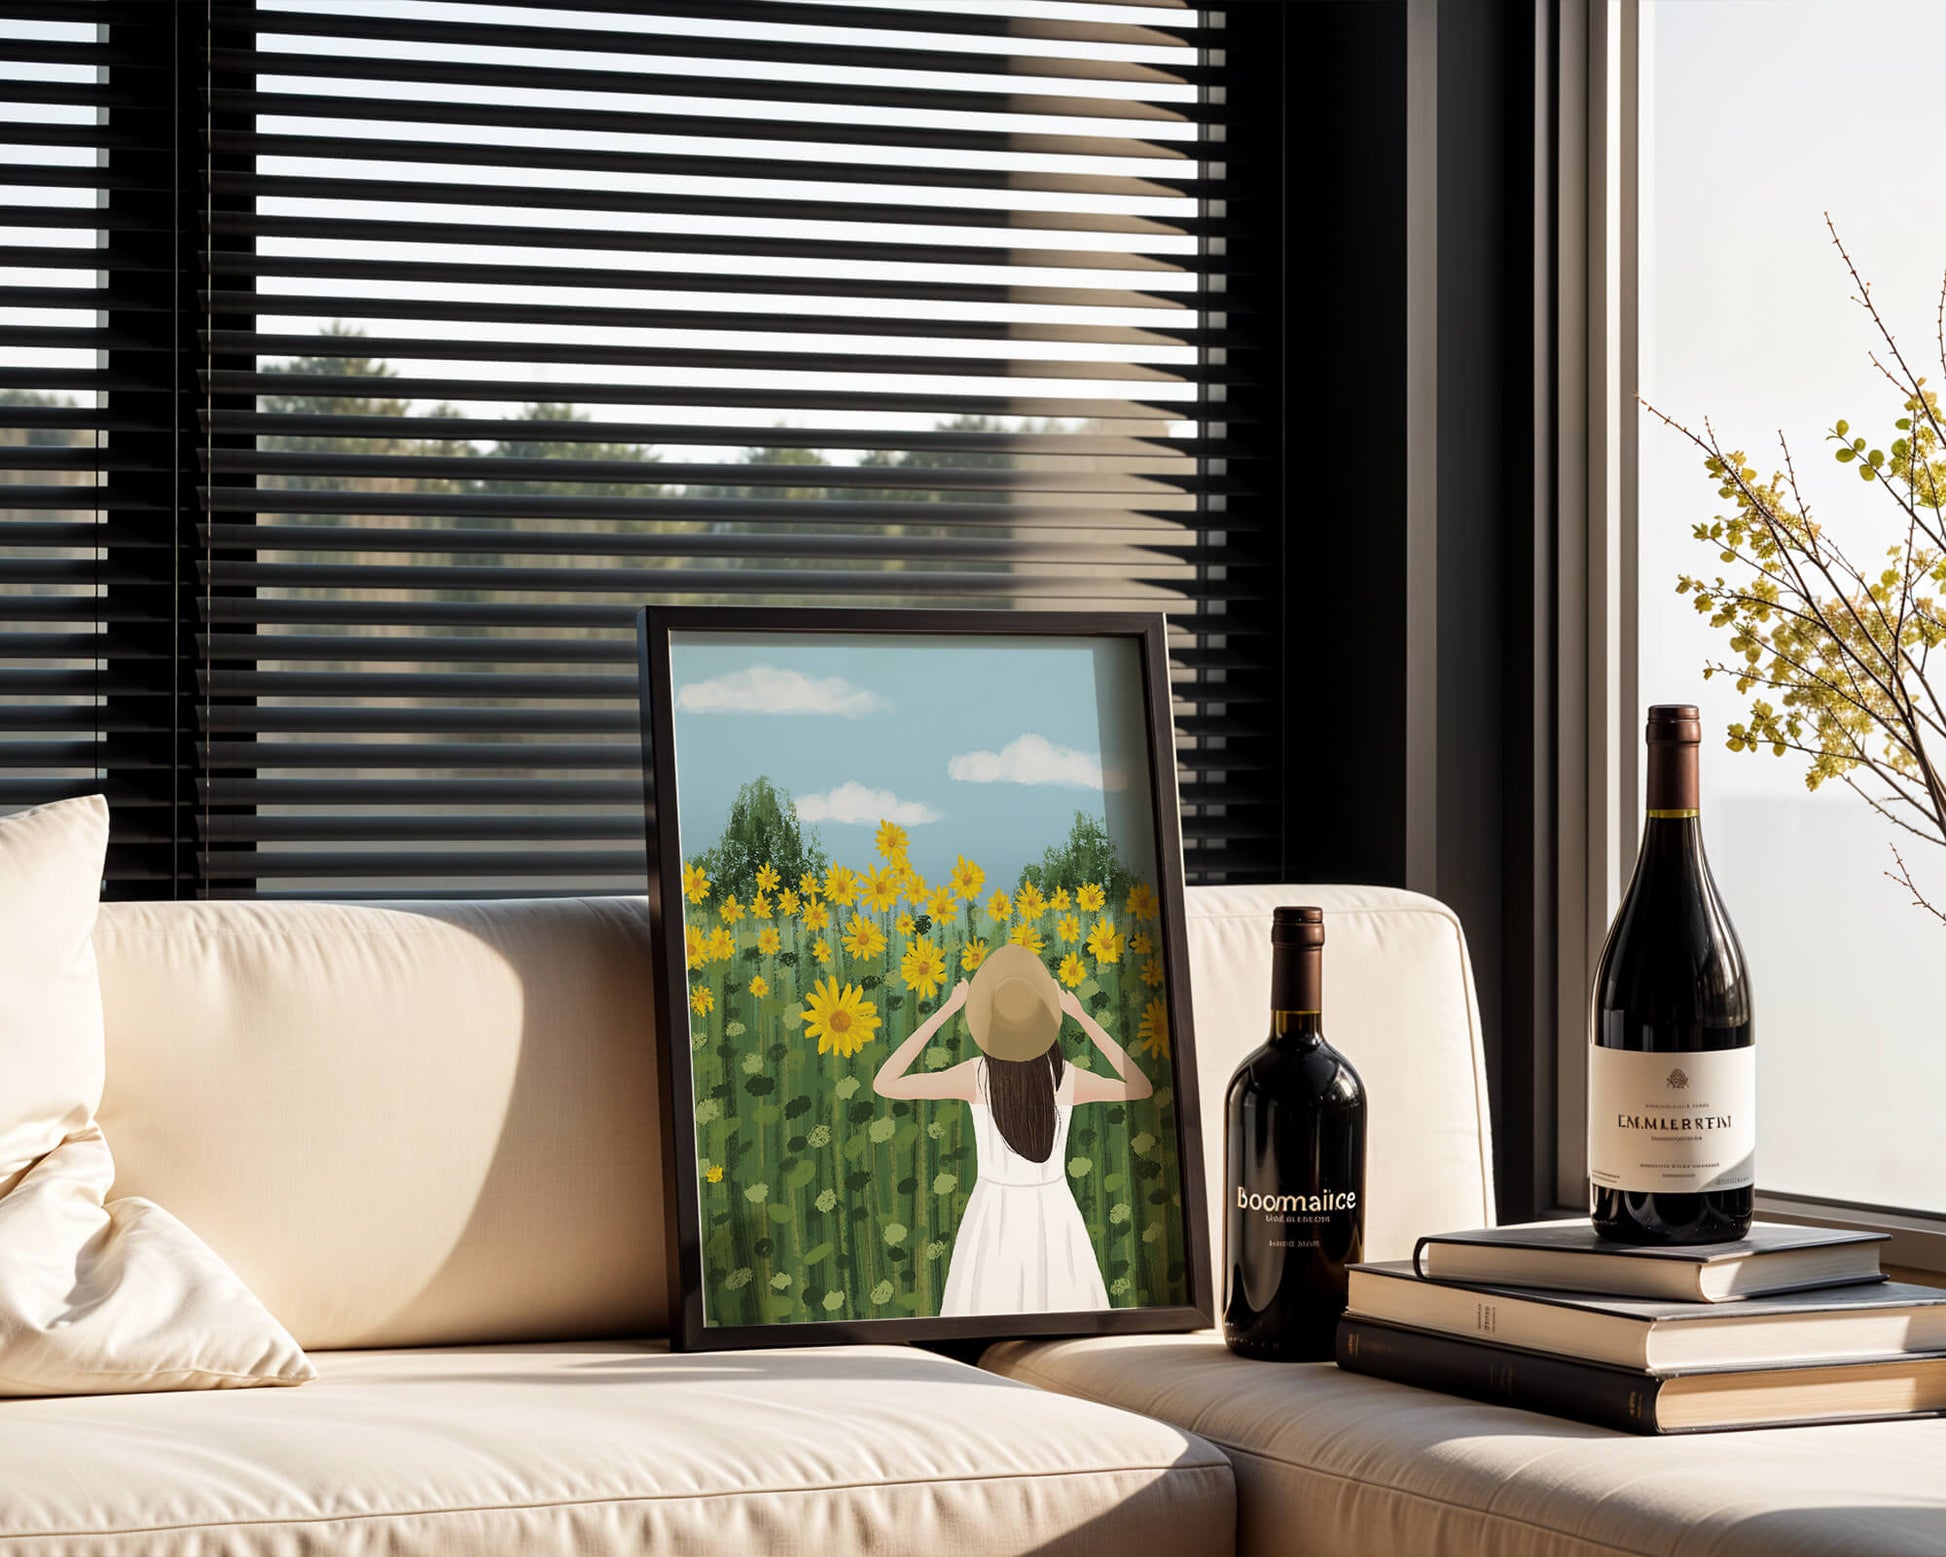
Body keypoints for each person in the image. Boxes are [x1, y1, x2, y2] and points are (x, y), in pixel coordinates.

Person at [872, 942, 1153, 1316]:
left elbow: (885, 1082)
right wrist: (1082, 1016)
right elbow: (1139, 1086)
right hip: (1054, 1212)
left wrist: (946, 1010)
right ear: (1046, 1022)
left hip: (993, 1213)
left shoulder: (975, 1076)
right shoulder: (1063, 1079)